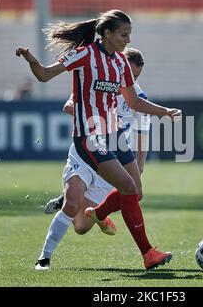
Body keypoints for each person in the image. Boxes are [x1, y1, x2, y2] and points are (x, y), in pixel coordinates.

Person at [16, 9, 181, 270]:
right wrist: (31, 60)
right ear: (106, 33)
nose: (127, 40)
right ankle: (146, 253)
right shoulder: (84, 54)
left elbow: (134, 101)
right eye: (123, 34)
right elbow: (45, 75)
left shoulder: (120, 63)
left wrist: (165, 112)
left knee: (135, 192)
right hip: (90, 138)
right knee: (123, 189)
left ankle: (100, 213)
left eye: (129, 35)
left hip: (114, 135)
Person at [36, 48, 150, 271]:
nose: (131, 80)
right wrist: (97, 115)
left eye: (135, 76)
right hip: (86, 152)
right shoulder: (94, 83)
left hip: (113, 161)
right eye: (129, 73)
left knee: (80, 227)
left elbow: (142, 133)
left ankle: (99, 213)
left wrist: (140, 164)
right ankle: (44, 258)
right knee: (72, 203)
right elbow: (68, 106)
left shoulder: (137, 97)